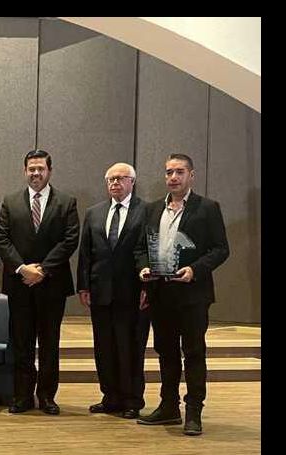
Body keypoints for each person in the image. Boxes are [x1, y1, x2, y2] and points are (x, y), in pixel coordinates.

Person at [135, 153, 229, 436]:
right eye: (168, 172)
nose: (173, 177)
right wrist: (143, 269)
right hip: (160, 293)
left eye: (179, 172)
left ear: (191, 175)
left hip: (192, 295)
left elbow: (220, 249)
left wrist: (195, 269)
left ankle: (194, 411)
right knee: (165, 352)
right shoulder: (152, 209)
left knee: (194, 353)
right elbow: (141, 248)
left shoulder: (208, 208)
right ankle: (168, 407)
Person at [0, 149, 79, 415]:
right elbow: (2, 238)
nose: (36, 173)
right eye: (31, 169)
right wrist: (22, 269)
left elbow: (70, 240)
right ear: (24, 171)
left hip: (52, 284)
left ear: (49, 171)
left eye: (40, 168)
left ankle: (47, 396)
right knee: (21, 343)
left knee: (49, 343)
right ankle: (22, 396)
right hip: (19, 284)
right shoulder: (10, 202)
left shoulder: (66, 202)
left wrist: (42, 269)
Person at [76, 162, 148, 420]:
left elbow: (149, 250)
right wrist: (83, 285)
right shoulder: (94, 213)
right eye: (110, 179)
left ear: (132, 182)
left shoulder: (146, 211)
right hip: (100, 292)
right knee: (103, 347)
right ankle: (111, 396)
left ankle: (132, 399)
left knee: (130, 347)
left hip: (132, 293)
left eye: (120, 178)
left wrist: (148, 288)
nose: (115, 183)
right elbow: (86, 252)